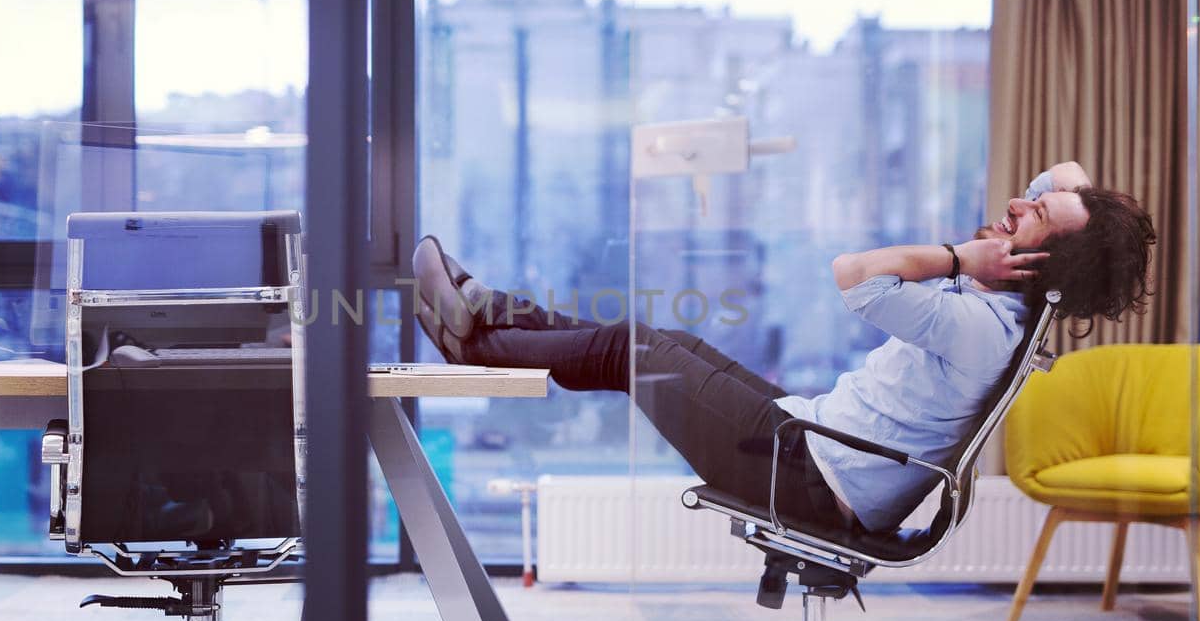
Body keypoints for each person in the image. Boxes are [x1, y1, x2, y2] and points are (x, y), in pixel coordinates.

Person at [411, 161, 1156, 535]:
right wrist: (1065, 209)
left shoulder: (977, 322)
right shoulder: (1009, 309)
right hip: (811, 435)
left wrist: (961, 256)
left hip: (809, 475)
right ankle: (485, 315)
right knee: (667, 340)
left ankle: (477, 338)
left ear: (1044, 262)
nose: (1019, 200)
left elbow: (855, 276)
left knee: (633, 349)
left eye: (1036, 215)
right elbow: (1065, 180)